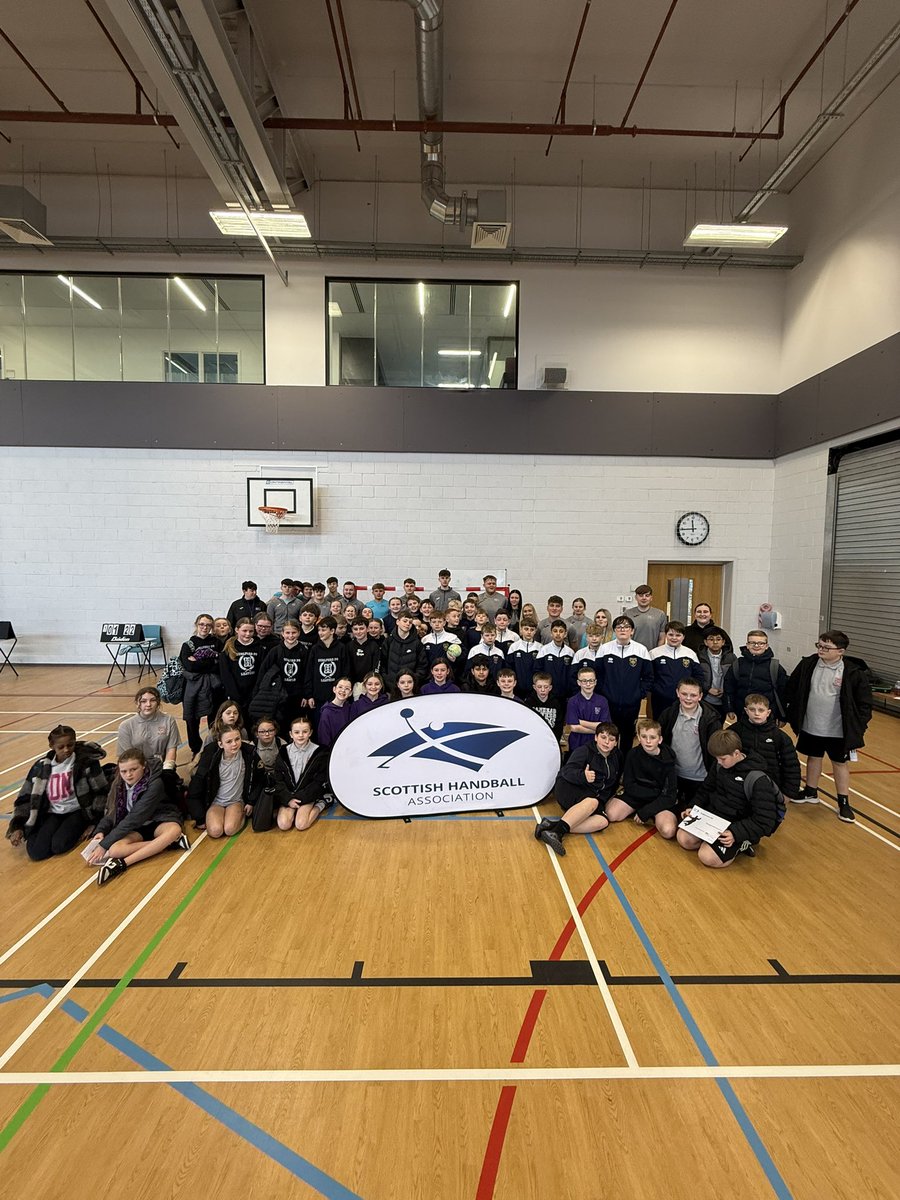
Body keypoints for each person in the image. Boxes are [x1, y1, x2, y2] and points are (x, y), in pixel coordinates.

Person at [785, 630, 872, 822]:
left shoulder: (853, 672)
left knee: (839, 763)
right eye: (819, 645)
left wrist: (859, 725)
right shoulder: (808, 664)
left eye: (826, 647)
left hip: (838, 730)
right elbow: (792, 687)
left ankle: (843, 802)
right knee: (813, 757)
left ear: (840, 651)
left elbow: (864, 703)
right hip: (811, 725)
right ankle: (810, 791)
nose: (821, 650)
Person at [676, 729, 781, 867]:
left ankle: (744, 844)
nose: (719, 762)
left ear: (736, 753)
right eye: (717, 759)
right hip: (715, 818)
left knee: (707, 857)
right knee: (684, 839)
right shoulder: (719, 765)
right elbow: (706, 789)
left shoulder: (758, 779)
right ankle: (711, 842)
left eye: (722, 759)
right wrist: (693, 807)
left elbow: (765, 820)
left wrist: (735, 833)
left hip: (737, 825)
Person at [87, 748, 187, 886]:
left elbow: (136, 817)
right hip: (138, 827)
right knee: (115, 850)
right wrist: (101, 830)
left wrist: (104, 845)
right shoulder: (118, 784)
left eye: (133, 769)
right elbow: (111, 810)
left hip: (160, 819)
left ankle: (123, 863)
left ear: (143, 766)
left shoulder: (155, 784)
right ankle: (170, 844)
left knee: (174, 830)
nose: (128, 775)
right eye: (123, 771)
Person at [6, 725, 108, 860]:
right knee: (36, 853)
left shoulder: (86, 762)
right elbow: (25, 797)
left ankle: (76, 826)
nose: (66, 750)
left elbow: (102, 792)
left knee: (59, 846)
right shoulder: (40, 767)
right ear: (51, 746)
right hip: (53, 812)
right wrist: (18, 826)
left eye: (70, 745)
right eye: (61, 747)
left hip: (78, 811)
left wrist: (95, 822)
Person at [535, 724, 623, 855]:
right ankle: (557, 833)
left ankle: (551, 826)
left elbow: (614, 782)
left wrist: (606, 800)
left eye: (611, 739)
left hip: (592, 796)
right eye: (603, 737)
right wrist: (583, 776)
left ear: (616, 743)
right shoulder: (584, 751)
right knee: (592, 802)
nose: (606, 742)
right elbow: (566, 771)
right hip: (569, 787)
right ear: (596, 737)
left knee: (602, 822)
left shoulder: (618, 756)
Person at [605, 720, 679, 839]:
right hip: (637, 795)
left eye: (652, 737)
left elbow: (669, 796)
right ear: (639, 738)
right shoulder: (632, 754)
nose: (648, 741)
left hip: (658, 799)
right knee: (611, 814)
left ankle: (652, 814)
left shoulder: (668, 760)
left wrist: (647, 811)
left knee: (668, 831)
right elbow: (628, 784)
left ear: (660, 739)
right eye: (644, 737)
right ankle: (634, 809)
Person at [657, 678, 722, 805]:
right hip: (673, 776)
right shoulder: (668, 714)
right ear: (677, 693)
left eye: (693, 695)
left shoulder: (711, 720)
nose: (688, 698)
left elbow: (716, 753)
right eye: (684, 694)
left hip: (700, 778)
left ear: (700, 696)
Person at [187, 726, 255, 837]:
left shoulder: (249, 754)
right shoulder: (210, 758)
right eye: (229, 741)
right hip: (216, 802)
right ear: (220, 744)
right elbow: (195, 787)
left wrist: (251, 801)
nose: (234, 744)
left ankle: (240, 816)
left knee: (230, 829)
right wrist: (199, 817)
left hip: (236, 801)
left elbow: (258, 779)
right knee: (215, 831)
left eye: (237, 739)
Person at [733, 694, 801, 801]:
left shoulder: (780, 737)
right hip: (740, 787)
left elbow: (791, 766)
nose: (756, 713)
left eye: (761, 710)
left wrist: (788, 794)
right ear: (746, 710)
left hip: (770, 789)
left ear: (768, 712)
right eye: (752, 709)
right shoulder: (734, 732)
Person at [595, 615, 652, 741]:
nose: (623, 630)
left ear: (632, 631)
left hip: (632, 703)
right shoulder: (604, 649)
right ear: (614, 630)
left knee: (628, 736)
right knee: (609, 735)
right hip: (609, 702)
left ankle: (625, 755)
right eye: (619, 627)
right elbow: (598, 674)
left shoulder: (641, 650)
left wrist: (639, 694)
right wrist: (603, 692)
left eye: (626, 627)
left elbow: (648, 676)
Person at [249, 618, 309, 734]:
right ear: (282, 633)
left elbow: (307, 674)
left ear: (299, 633)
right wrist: (257, 691)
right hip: (278, 696)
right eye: (287, 632)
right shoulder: (275, 651)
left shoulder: (303, 651)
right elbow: (263, 672)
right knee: (279, 725)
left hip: (297, 696)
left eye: (294, 632)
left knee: (295, 724)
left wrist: (306, 695)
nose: (290, 636)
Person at [274, 715, 332, 832]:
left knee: (301, 824)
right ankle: (293, 809)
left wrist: (301, 798)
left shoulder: (320, 752)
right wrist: (288, 799)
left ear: (310, 733)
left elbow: (319, 781)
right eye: (296, 732)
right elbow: (278, 779)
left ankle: (322, 803)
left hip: (308, 794)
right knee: (283, 825)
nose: (301, 735)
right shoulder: (283, 752)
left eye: (305, 732)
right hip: (290, 795)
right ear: (291, 734)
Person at [179, 614, 221, 756]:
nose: (205, 627)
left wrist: (199, 663)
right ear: (196, 624)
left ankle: (213, 746)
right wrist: (211, 661)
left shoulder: (216, 642)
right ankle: (195, 749)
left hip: (213, 686)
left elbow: (220, 664)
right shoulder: (188, 645)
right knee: (192, 719)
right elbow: (189, 666)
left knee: (214, 717)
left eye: (208, 625)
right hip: (193, 687)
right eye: (202, 624)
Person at [724, 631, 788, 722]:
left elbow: (783, 693)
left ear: (766, 646)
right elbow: (729, 687)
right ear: (747, 645)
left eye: (761, 643)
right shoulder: (738, 664)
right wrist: (729, 708)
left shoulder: (775, 667)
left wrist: (782, 717)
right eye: (752, 643)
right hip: (743, 712)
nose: (756, 646)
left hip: (767, 715)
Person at [649, 621, 704, 718]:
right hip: (660, 700)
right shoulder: (654, 653)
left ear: (683, 637)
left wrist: (690, 693)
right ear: (666, 635)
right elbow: (649, 676)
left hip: (684, 700)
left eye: (678, 635)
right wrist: (657, 690)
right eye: (671, 635)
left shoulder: (690, 654)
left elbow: (698, 677)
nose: (674, 638)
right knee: (660, 724)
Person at [116, 687, 179, 772]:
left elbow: (171, 749)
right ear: (137, 703)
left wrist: (167, 770)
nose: (148, 704)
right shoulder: (125, 726)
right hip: (136, 770)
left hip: (162, 767)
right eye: (143, 701)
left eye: (152, 700)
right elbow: (127, 757)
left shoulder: (169, 720)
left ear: (158, 703)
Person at [218, 617, 265, 722]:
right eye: (244, 631)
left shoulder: (259, 648)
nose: (247, 634)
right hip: (235, 694)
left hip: (253, 694)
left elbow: (261, 672)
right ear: (237, 630)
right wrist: (234, 694)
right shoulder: (228, 648)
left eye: (251, 631)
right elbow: (226, 674)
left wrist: (256, 692)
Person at [304, 615, 352, 714]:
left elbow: (346, 672)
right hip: (318, 697)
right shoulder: (315, 649)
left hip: (337, 697)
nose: (320, 633)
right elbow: (309, 673)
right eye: (319, 630)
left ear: (332, 631)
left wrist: (343, 692)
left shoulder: (341, 648)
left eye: (323, 630)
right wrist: (309, 695)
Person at [565, 667, 611, 754]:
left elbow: (604, 726)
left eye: (591, 680)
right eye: (584, 681)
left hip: (597, 746)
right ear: (578, 682)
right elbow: (574, 728)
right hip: (577, 745)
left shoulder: (603, 701)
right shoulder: (572, 701)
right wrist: (596, 731)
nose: (588, 684)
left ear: (595, 682)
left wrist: (580, 722)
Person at [381, 609, 428, 690]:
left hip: (410, 688)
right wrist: (387, 680)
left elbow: (422, 666)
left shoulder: (417, 643)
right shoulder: (389, 641)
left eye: (410, 622)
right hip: (391, 687)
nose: (407, 624)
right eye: (405, 621)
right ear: (397, 622)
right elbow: (382, 663)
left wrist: (412, 680)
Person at [697, 626, 736, 713]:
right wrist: (707, 689)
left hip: (725, 698)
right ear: (705, 642)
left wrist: (725, 690)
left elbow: (735, 678)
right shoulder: (699, 657)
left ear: (723, 642)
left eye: (718, 639)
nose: (715, 642)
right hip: (705, 698)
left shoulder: (731, 658)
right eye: (711, 639)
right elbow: (696, 677)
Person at [534, 619, 575, 697]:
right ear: (551, 633)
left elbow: (572, 675)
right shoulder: (544, 650)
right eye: (555, 631)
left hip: (565, 694)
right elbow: (537, 672)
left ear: (565, 634)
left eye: (561, 631)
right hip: (548, 694)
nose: (558, 634)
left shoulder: (570, 653)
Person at [347, 617, 383, 695]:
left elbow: (376, 666)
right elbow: (347, 668)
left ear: (367, 629)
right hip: (354, 685)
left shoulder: (374, 646)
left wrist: (370, 682)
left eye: (361, 628)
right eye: (355, 629)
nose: (358, 632)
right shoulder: (349, 646)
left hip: (370, 685)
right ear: (352, 630)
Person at [625, 585, 667, 651]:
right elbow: (624, 635)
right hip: (631, 652)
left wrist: (657, 653)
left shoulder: (660, 614)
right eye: (641, 595)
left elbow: (662, 638)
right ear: (636, 597)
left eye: (647, 595)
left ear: (651, 598)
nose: (644, 598)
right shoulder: (628, 614)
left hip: (652, 653)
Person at [526, 673, 565, 742]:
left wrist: (555, 740)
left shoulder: (556, 703)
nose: (543, 690)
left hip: (551, 739)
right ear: (534, 687)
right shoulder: (529, 703)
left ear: (550, 688)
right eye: (539, 687)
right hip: (533, 739)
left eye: (546, 687)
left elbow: (559, 725)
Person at [508, 617, 542, 696]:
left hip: (534, 689)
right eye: (526, 629)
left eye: (532, 630)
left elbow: (541, 670)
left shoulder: (540, 648)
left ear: (535, 631)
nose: (529, 632)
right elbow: (509, 668)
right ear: (521, 629)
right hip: (517, 688)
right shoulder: (514, 647)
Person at [316, 677, 353, 748]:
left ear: (350, 693)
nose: (343, 690)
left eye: (347, 688)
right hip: (332, 750)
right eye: (340, 687)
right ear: (334, 689)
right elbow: (324, 738)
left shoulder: (350, 708)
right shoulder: (327, 712)